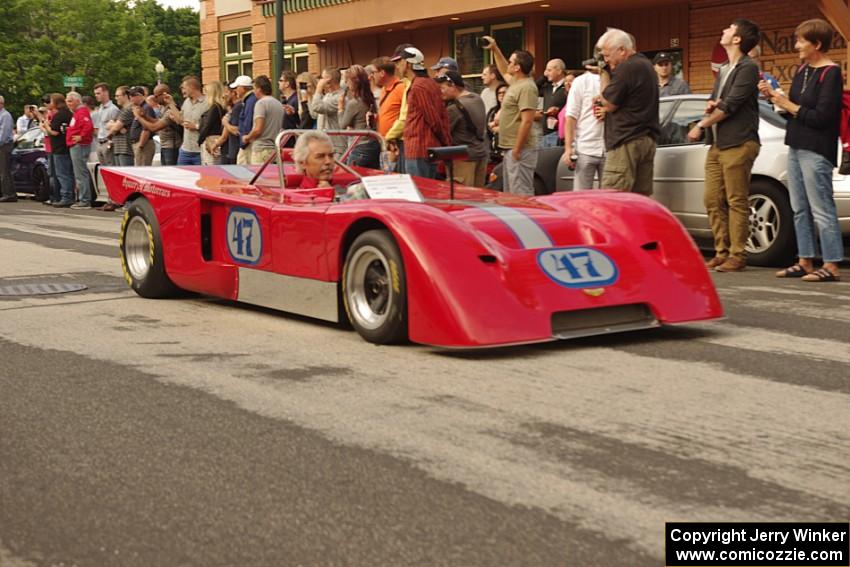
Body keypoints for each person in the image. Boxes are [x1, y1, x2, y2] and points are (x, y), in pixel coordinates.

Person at [763, 19, 843, 282]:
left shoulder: (830, 73)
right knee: (799, 207)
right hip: (796, 144)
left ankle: (831, 265)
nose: (796, 45)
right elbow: (794, 110)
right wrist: (776, 98)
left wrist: (789, 104)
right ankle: (805, 261)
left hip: (817, 148)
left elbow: (823, 117)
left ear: (817, 44)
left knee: (821, 207)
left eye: (801, 40)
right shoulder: (802, 70)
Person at [687, 19, 761, 273]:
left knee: (736, 200)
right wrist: (711, 103)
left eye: (728, 29)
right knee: (712, 199)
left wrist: (701, 124)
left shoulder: (748, 68)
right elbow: (717, 100)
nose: (724, 30)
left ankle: (737, 255)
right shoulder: (724, 68)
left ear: (738, 39)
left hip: (739, 142)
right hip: (718, 144)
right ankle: (721, 251)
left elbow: (730, 105)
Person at [595, 27, 659, 196]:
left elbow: (608, 103)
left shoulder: (627, 68)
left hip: (626, 141)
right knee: (639, 200)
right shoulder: (645, 64)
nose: (606, 60)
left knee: (614, 198)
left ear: (622, 50)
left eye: (607, 55)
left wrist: (603, 74)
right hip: (645, 138)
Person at [481, 36, 539, 196]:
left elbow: (527, 121)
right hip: (510, 148)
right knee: (511, 192)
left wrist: (517, 149)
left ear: (517, 68)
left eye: (511, 62)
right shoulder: (516, 82)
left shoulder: (527, 87)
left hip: (520, 149)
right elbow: (501, 68)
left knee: (521, 193)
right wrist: (494, 48)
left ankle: (527, 220)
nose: (508, 63)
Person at [390, 46, 451, 178]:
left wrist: (445, 142)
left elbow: (434, 119)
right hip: (425, 148)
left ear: (408, 63)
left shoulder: (419, 86)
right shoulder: (429, 83)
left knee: (420, 192)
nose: (397, 66)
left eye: (399, 62)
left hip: (419, 149)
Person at [436, 71, 488, 187]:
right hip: (481, 154)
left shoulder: (454, 109)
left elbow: (442, 133)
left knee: (462, 197)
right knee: (478, 197)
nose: (440, 92)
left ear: (452, 85)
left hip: (462, 160)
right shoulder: (477, 98)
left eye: (442, 88)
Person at [562, 67, 605, 190]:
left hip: (610, 147)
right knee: (581, 198)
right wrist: (568, 148)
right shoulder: (581, 81)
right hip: (585, 147)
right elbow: (570, 116)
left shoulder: (616, 79)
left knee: (610, 199)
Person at [338, 64, 380, 169]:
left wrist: (340, 108)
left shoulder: (354, 103)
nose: (346, 84)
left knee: (353, 177)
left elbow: (342, 124)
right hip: (374, 144)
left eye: (347, 81)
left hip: (360, 145)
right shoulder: (370, 98)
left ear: (353, 82)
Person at [165, 76, 208, 166]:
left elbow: (211, 125)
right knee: (182, 177)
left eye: (184, 88)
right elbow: (181, 120)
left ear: (192, 87)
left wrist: (196, 126)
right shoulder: (186, 102)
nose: (182, 91)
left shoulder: (207, 103)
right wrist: (171, 103)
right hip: (185, 150)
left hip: (200, 151)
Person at [242, 75, 285, 165]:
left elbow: (258, 129)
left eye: (254, 88)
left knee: (260, 177)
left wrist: (247, 137)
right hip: (274, 149)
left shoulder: (261, 103)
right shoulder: (278, 103)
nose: (253, 92)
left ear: (259, 89)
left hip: (261, 149)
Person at [43, 94, 75, 207]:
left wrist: (46, 126)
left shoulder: (59, 115)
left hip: (59, 148)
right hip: (66, 146)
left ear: (55, 102)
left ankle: (66, 197)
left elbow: (54, 132)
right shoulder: (69, 114)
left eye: (51, 101)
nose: (49, 103)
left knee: (62, 174)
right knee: (67, 173)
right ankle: (67, 196)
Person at [65, 91, 95, 208]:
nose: (68, 104)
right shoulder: (78, 112)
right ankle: (83, 198)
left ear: (78, 101)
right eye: (67, 101)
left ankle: (84, 199)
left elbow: (88, 126)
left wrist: (81, 137)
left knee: (80, 173)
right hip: (76, 144)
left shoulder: (81, 112)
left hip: (79, 145)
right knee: (80, 173)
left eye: (70, 101)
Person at [309, 67, 346, 156]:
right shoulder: (328, 95)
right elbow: (314, 114)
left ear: (329, 80)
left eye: (323, 78)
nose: (320, 81)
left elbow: (317, 107)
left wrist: (318, 88)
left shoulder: (339, 97)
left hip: (336, 146)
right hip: (326, 143)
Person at [539, 59, 571, 148]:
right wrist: (544, 76)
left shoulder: (568, 86)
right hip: (545, 133)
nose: (546, 73)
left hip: (559, 133)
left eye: (549, 70)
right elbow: (534, 88)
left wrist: (558, 110)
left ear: (559, 71)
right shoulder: (547, 87)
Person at [197, 80, 226, 165]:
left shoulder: (214, 108)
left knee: (210, 165)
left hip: (212, 139)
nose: (205, 95)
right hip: (217, 138)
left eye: (206, 92)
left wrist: (200, 140)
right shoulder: (221, 107)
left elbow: (207, 125)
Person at [128, 87, 157, 166]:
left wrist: (141, 145)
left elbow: (147, 129)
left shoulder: (146, 108)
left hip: (144, 144)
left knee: (142, 170)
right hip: (139, 143)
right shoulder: (139, 108)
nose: (130, 97)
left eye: (133, 95)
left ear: (140, 96)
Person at [92, 83, 119, 167]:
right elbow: (98, 126)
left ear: (106, 92)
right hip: (99, 142)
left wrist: (110, 142)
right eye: (95, 94)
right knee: (102, 169)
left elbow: (115, 128)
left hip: (108, 142)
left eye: (98, 93)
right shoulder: (100, 108)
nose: (96, 96)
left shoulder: (113, 109)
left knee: (110, 168)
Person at [486, 83, 508, 164]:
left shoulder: (514, 110)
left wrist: (500, 128)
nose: (502, 95)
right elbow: (488, 127)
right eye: (499, 93)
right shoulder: (493, 111)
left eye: (504, 92)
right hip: (494, 152)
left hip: (508, 150)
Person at [0, 95, 15, 203]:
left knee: (4, 170)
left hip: (4, 145)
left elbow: (4, 134)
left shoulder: (5, 116)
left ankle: (9, 194)